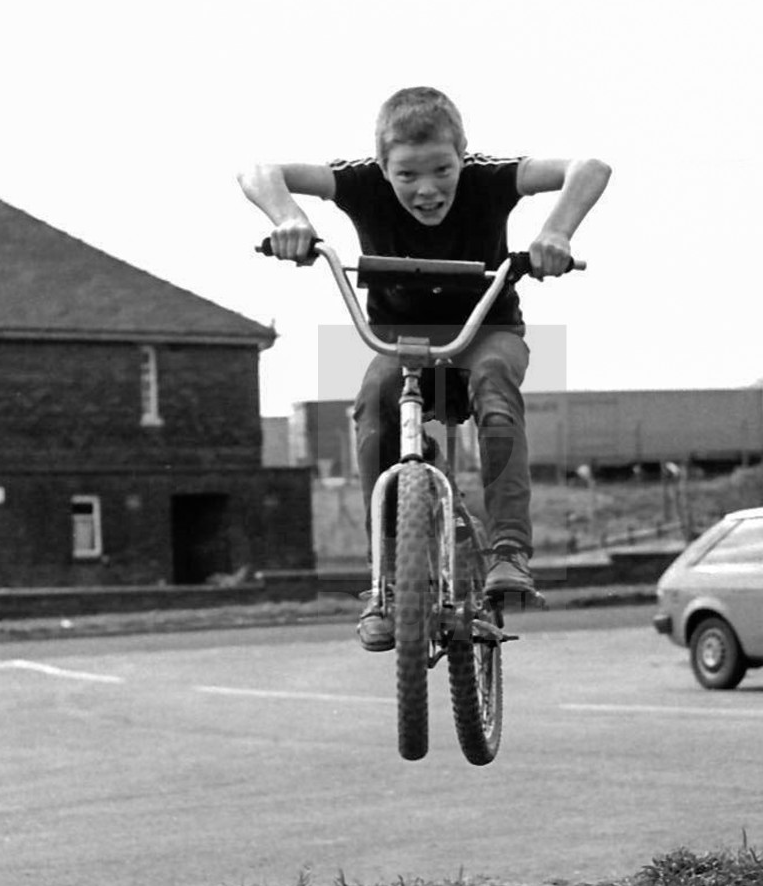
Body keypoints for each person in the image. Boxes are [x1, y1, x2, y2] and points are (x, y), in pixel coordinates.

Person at [238, 86, 610, 650]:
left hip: (487, 329)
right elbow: (260, 171)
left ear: (463, 153)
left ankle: (510, 551)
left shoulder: (490, 177)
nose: (427, 188)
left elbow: (591, 167)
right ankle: (383, 582)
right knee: (371, 408)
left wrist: (555, 232)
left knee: (494, 384)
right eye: (407, 174)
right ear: (383, 167)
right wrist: (290, 218)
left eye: (443, 169)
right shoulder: (359, 181)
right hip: (400, 342)